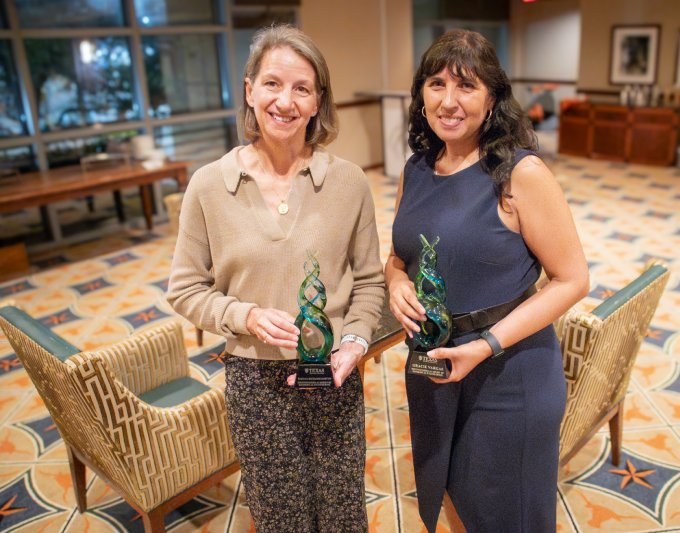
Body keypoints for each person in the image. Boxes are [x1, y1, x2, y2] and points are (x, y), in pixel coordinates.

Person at [167, 25, 384, 532]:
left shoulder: (348, 183)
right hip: (254, 382)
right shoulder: (209, 186)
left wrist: (353, 343)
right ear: (249, 90)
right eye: (271, 84)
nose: (284, 101)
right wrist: (243, 315)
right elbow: (185, 288)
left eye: (301, 89)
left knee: (342, 514)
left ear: (317, 103)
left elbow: (371, 283)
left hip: (334, 372)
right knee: (280, 517)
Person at [385, 29, 589, 532]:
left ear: (492, 97)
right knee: (451, 488)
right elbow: (397, 255)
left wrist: (487, 344)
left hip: (508, 373)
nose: (448, 101)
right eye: (436, 84)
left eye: (466, 87)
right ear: (421, 94)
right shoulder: (416, 169)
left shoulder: (520, 173)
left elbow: (572, 280)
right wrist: (394, 282)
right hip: (433, 365)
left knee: (507, 511)